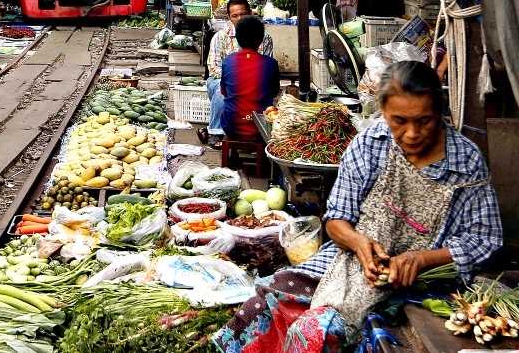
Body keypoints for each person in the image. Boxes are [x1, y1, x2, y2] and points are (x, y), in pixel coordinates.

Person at [215, 61, 502, 353]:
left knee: (319, 332)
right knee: (267, 297)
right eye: (399, 121)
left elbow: (485, 240)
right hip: (356, 262)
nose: (413, 133)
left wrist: (422, 259)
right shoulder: (371, 143)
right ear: (383, 111)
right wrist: (360, 244)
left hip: (426, 283)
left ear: (439, 112)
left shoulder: (465, 160)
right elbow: (337, 219)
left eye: (424, 121)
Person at [199, 0, 274, 148]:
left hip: (250, 81)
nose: (239, 19)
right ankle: (215, 131)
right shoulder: (220, 36)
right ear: (229, 17)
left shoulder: (264, 38)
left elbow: (266, 69)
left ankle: (253, 123)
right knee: (222, 92)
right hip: (223, 79)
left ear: (250, 13)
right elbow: (213, 68)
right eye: (235, 16)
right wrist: (237, 77)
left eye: (243, 14)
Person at [219, 16, 280, 142]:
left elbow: (224, 92)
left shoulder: (228, 62)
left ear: (237, 39)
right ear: (260, 40)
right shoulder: (271, 64)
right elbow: (274, 92)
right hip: (261, 127)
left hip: (231, 126)